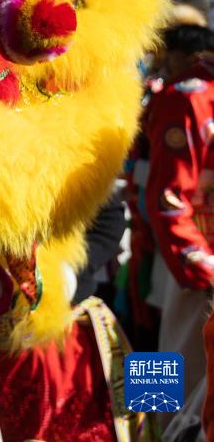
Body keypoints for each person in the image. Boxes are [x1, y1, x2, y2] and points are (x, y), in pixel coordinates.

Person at [143, 24, 214, 418]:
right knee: (172, 378)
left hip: (181, 255)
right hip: (188, 263)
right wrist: (202, 266)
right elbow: (167, 199)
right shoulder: (187, 97)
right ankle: (147, 430)